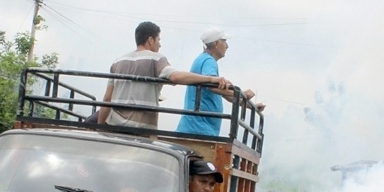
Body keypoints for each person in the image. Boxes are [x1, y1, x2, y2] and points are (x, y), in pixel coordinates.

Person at [97, 21, 232, 129]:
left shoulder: (118, 62)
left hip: (115, 126)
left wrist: (100, 128)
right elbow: (175, 77)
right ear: (150, 40)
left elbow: (107, 98)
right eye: (158, 40)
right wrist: (211, 78)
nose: (160, 44)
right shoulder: (156, 59)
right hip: (141, 129)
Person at [176, 27, 263, 136]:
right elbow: (212, 86)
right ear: (216, 43)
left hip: (198, 127)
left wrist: (251, 106)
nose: (227, 46)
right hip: (199, 128)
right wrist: (242, 94)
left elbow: (225, 94)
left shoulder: (203, 60)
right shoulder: (208, 61)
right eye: (224, 41)